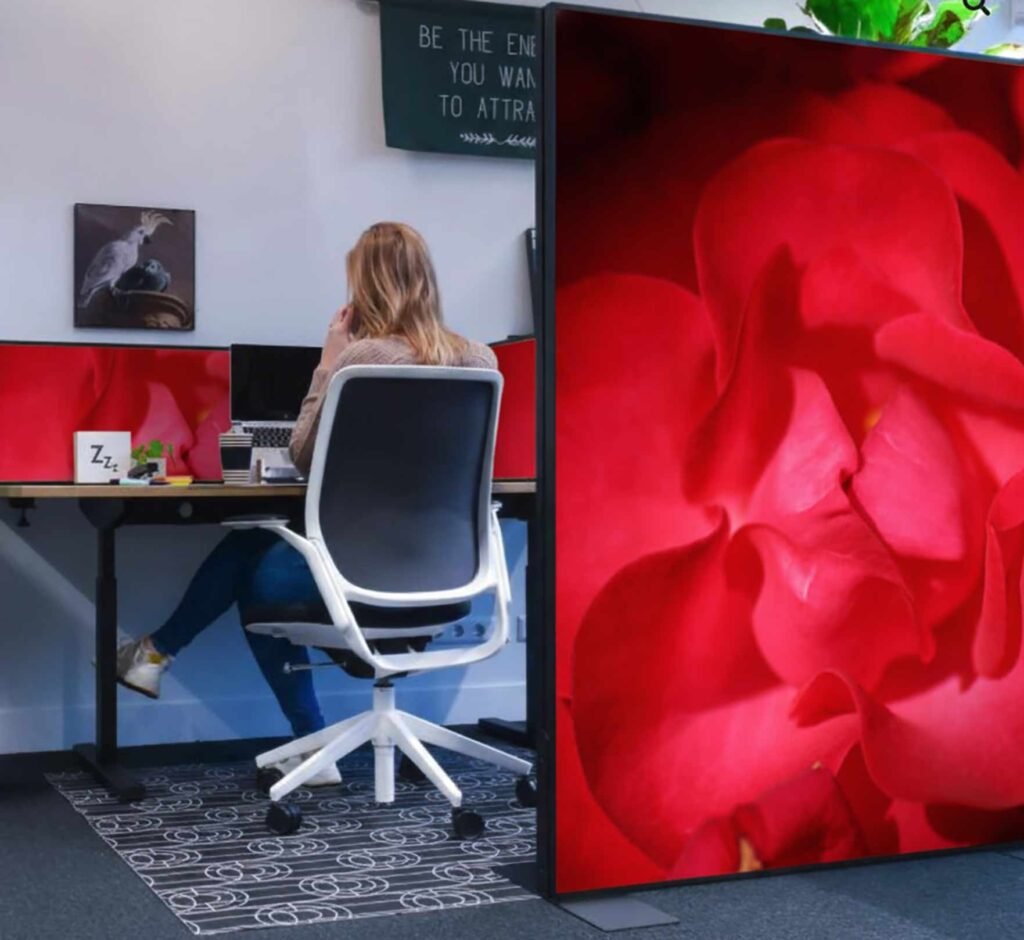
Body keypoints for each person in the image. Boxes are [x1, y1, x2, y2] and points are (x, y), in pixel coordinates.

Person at [115, 222, 498, 784]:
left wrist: (328, 360)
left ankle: (299, 735)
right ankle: (157, 656)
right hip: (447, 578)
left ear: (366, 286)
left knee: (252, 556)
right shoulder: (482, 361)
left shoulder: (363, 357)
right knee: (256, 543)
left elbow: (301, 455)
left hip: (360, 575)